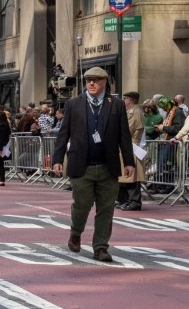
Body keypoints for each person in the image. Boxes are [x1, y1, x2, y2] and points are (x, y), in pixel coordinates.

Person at [51, 67, 134, 263]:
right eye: (88, 80)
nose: (91, 83)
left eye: (96, 80)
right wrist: (57, 159)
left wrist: (129, 162)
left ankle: (100, 247)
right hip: (82, 166)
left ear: (104, 82)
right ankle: (76, 233)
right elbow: (63, 134)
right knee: (81, 205)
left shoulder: (117, 105)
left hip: (108, 166)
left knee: (106, 209)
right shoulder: (74, 104)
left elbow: (125, 136)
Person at [117, 91, 146, 211]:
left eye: (125, 98)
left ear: (131, 100)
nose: (124, 101)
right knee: (125, 176)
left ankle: (134, 201)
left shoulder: (135, 111)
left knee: (132, 176)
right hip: (126, 146)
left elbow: (129, 128)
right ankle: (125, 199)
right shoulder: (129, 111)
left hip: (132, 146)